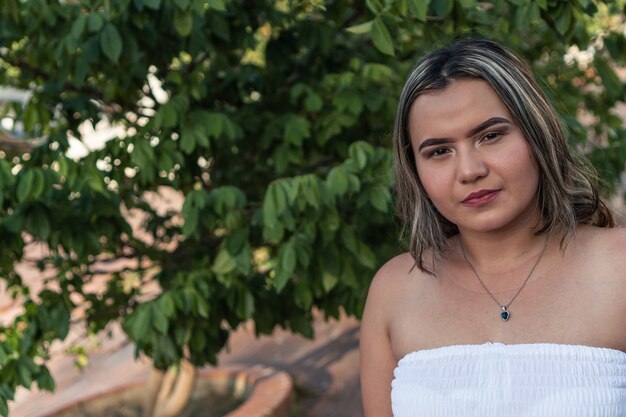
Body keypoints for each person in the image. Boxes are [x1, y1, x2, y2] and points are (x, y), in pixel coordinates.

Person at [359, 38, 626, 417]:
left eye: (490, 135)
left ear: (537, 133)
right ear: (415, 170)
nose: (469, 171)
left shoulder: (618, 268)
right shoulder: (394, 290)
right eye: (439, 151)